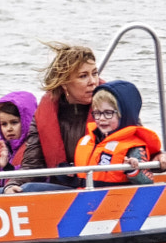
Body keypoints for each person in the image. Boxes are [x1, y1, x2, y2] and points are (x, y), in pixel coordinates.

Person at [7, 42, 102, 191]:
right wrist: (13, 184)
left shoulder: (112, 107)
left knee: (30, 189)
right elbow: (32, 166)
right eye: (83, 76)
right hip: (62, 187)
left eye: (94, 73)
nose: (93, 82)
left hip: (100, 186)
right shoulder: (44, 115)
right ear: (64, 83)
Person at [74, 80, 166, 186]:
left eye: (108, 113)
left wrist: (132, 169)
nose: (101, 118)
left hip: (113, 197)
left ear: (123, 115)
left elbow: (146, 180)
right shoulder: (89, 140)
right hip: (83, 194)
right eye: (97, 113)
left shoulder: (134, 148)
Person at [0, 89, 39, 174]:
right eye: (4, 124)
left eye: (14, 122)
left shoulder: (36, 148)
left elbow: (32, 175)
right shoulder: (4, 150)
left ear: (27, 121)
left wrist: (7, 167)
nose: (9, 128)